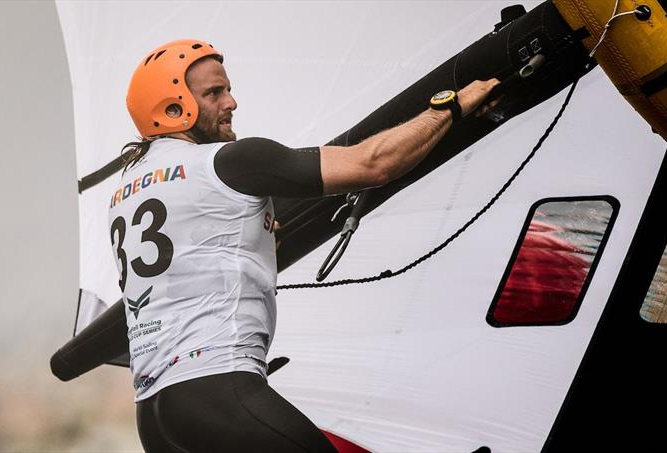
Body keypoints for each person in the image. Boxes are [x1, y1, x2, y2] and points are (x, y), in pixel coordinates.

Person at [111, 38, 499, 453]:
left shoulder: (125, 190)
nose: (232, 102)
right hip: (218, 389)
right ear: (173, 110)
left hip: (154, 415)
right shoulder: (233, 161)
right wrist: (451, 106)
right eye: (214, 93)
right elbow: (373, 162)